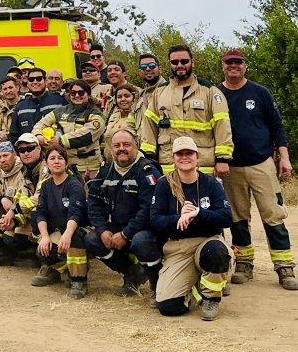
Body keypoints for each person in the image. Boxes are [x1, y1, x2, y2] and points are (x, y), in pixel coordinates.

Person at [217, 49, 297, 290]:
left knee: (273, 215)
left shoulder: (260, 92)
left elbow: (277, 126)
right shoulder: (216, 94)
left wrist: (284, 158)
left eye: (238, 63)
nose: (234, 66)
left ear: (245, 66)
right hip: (230, 167)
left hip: (261, 163)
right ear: (223, 66)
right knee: (238, 218)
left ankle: (284, 267)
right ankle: (243, 263)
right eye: (229, 63)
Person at [150, 136, 234, 321]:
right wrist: (178, 219)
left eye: (189, 153)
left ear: (197, 156)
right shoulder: (164, 184)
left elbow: (227, 218)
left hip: (206, 242)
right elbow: (155, 220)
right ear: (173, 157)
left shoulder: (211, 184)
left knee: (217, 252)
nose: (184, 157)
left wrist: (198, 212)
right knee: (169, 307)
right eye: (180, 154)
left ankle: (211, 298)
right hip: (178, 249)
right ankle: (193, 285)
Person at [85, 130, 163, 298]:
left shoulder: (147, 171)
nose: (122, 149)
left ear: (136, 146)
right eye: (117, 146)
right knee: (92, 239)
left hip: (146, 230)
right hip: (119, 227)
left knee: (141, 242)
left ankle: (158, 284)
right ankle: (132, 273)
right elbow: (94, 203)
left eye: (126, 145)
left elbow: (148, 210)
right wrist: (102, 229)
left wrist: (126, 234)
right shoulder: (105, 171)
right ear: (110, 149)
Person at [141, 44, 234, 174]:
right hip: (168, 166)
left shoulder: (210, 91)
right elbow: (149, 127)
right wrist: (148, 159)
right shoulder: (159, 93)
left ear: (192, 62)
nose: (179, 65)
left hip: (202, 166)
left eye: (184, 61)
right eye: (175, 62)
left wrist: (223, 158)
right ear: (170, 64)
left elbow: (222, 125)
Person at [33, 146, 90, 298]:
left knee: (74, 236)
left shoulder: (74, 185)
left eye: (60, 158)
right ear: (46, 164)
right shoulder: (45, 186)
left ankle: (79, 280)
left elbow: (75, 213)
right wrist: (44, 237)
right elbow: (41, 213)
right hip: (60, 230)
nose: (56, 161)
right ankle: (62, 270)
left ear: (66, 162)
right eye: (52, 158)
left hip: (80, 229)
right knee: (42, 251)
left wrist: (67, 234)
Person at [0, 141, 40, 267]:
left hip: (23, 216)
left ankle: (30, 253)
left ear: (14, 154)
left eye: (6, 155)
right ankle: (3, 251)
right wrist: (0, 199)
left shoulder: (23, 171)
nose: (2, 160)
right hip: (6, 214)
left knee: (11, 237)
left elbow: (26, 203)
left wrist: (8, 220)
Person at [33, 79, 106, 179]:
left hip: (88, 168)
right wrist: (39, 136)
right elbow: (39, 125)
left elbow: (86, 135)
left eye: (81, 92)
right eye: (73, 93)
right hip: (64, 167)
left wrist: (60, 141)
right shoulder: (60, 111)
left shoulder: (95, 113)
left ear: (88, 95)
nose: (76, 96)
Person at [9, 67, 67, 144]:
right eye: (31, 79)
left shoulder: (60, 101)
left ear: (45, 82)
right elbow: (13, 135)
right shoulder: (21, 106)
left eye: (39, 79)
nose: (35, 82)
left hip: (55, 152)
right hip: (29, 152)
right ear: (28, 83)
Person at [131, 53, 167, 135]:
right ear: (140, 72)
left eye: (152, 65)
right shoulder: (140, 96)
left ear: (160, 69)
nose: (147, 69)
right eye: (143, 67)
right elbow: (132, 122)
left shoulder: (169, 91)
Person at [102, 84, 139, 161]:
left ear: (134, 98)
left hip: (131, 164)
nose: (123, 99)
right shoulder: (112, 115)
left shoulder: (139, 116)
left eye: (127, 96)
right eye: (119, 97)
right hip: (110, 164)